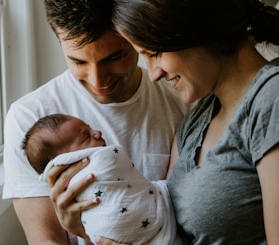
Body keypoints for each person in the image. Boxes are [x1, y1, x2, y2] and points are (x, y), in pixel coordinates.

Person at [48, 0, 279, 244]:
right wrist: (91, 227)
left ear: (197, 28)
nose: (154, 74)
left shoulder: (270, 99)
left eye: (154, 54)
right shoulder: (198, 117)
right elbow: (166, 227)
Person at [2, 0, 188, 244]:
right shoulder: (29, 118)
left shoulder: (181, 102)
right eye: (79, 62)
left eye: (114, 57)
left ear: (135, 37)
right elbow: (46, 240)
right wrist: (82, 233)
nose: (98, 80)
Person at [22, 113, 182, 245]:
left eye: (89, 128)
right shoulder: (26, 112)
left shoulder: (174, 105)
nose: (97, 132)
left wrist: (82, 232)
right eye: (85, 137)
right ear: (67, 160)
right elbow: (45, 240)